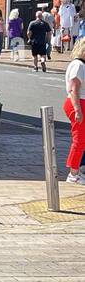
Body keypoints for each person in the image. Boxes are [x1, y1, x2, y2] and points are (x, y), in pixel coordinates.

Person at [63, 38, 85, 185]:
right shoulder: (78, 65)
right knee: (79, 140)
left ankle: (77, 170)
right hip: (78, 103)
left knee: (81, 140)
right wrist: (77, 110)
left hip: (79, 102)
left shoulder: (79, 64)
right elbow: (74, 89)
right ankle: (73, 174)